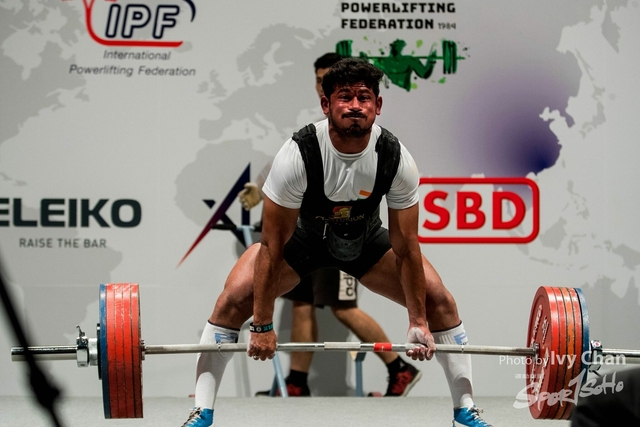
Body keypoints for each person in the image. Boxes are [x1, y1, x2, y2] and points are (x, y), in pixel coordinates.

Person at [181, 58, 491, 427]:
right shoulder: (297, 154)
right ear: (326, 104)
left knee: (439, 302)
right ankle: (202, 412)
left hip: (364, 242)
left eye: (364, 97)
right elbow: (272, 246)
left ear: (378, 105)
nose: (355, 106)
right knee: (232, 301)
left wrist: (418, 320)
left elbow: (407, 247)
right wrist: (261, 324)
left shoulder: (396, 159)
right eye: (345, 97)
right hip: (303, 241)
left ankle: (464, 410)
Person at [239, 52, 421, 398]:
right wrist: (258, 186)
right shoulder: (318, 129)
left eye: (328, 79)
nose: (322, 86)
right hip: (309, 234)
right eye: (319, 80)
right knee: (301, 304)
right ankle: (297, 381)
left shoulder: (360, 130)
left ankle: (398, 366)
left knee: (343, 308)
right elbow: (295, 165)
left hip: (347, 235)